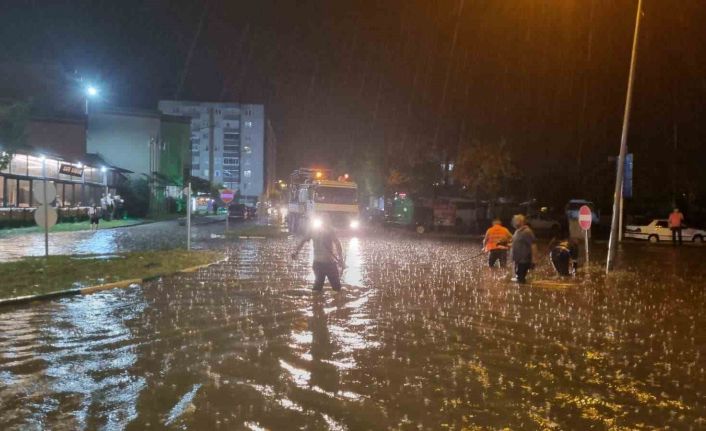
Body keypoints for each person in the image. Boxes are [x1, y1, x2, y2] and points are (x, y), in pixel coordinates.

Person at [291, 214, 344, 291]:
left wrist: (296, 252)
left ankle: (316, 302)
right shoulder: (329, 230)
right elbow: (337, 243)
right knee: (337, 289)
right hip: (328, 263)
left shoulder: (313, 230)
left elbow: (303, 241)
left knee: (317, 288)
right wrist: (341, 258)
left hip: (318, 264)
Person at [510, 214, 537, 283]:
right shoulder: (517, 231)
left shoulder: (527, 231)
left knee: (520, 280)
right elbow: (516, 243)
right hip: (517, 260)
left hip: (523, 260)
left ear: (521, 221)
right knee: (519, 278)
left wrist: (534, 260)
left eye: (515, 221)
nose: (513, 222)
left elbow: (533, 245)